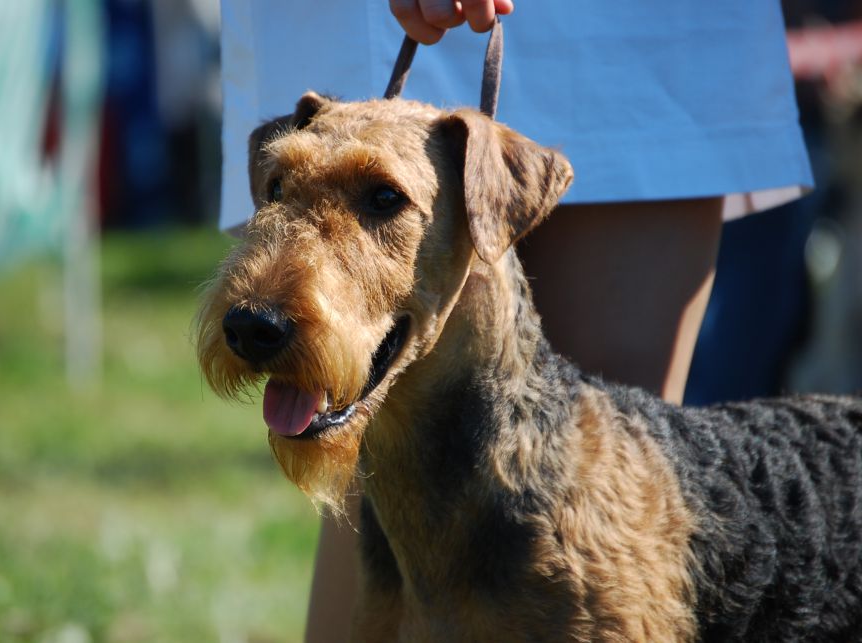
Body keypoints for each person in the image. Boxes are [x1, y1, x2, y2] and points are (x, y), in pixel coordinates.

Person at [217, 1, 813, 639]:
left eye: (383, 200)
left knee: (618, 495)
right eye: (280, 189)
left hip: (639, 32)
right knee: (378, 500)